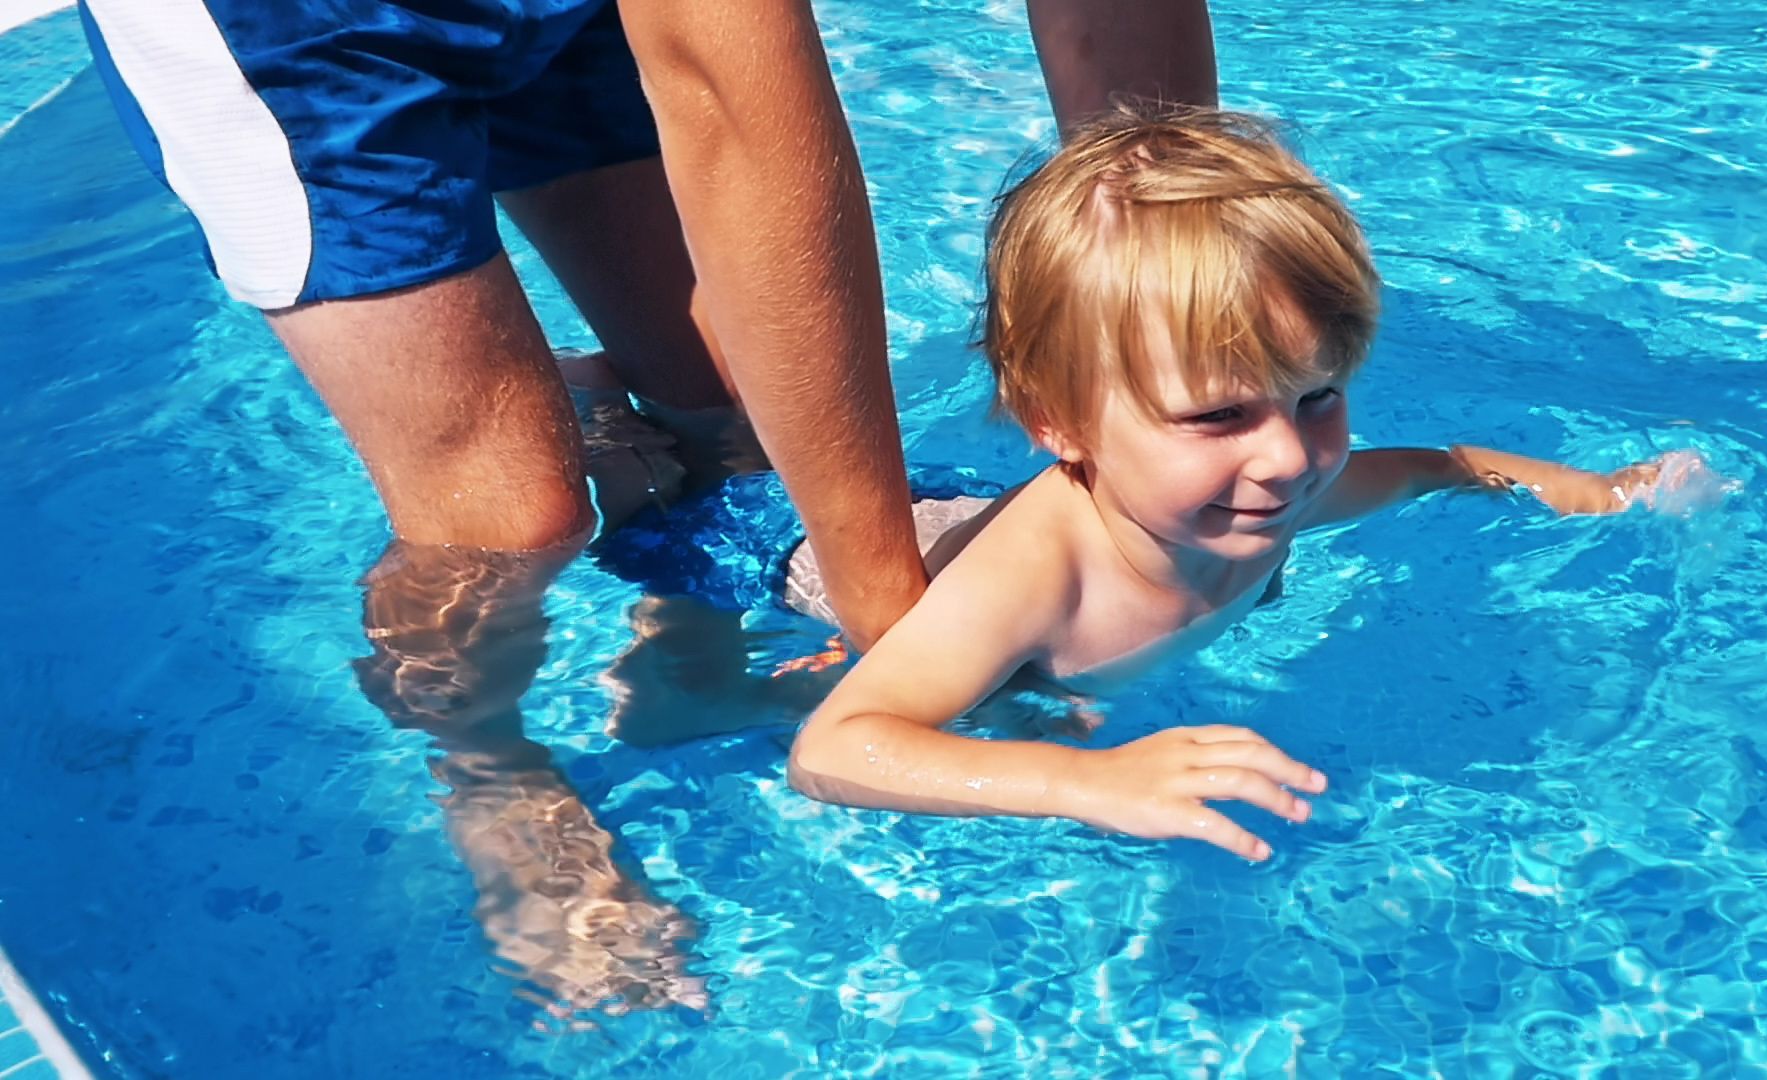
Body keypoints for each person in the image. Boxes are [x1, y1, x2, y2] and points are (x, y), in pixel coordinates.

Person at [75, 0, 1223, 1017]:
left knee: (739, 418)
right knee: (506, 525)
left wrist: (1166, 324)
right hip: (300, 26)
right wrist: (890, 614)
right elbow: (737, 107)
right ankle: (488, 767)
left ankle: (679, 653)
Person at [783, 105, 1725, 861]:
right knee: (696, 690)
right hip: (777, 569)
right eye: (1219, 415)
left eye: (1318, 395)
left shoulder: (1262, 493)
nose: (1288, 456)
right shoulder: (1036, 580)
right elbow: (832, 750)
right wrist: (1086, 783)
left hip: (974, 521)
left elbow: (1444, 467)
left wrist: (1607, 491)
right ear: (1057, 424)